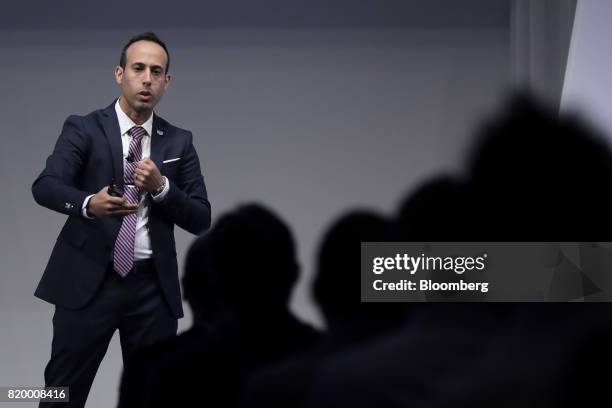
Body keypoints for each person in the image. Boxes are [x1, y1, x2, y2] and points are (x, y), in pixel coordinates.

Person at [32, 32, 211, 407]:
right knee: (59, 395)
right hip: (88, 281)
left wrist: (163, 188)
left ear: (166, 82)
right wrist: (87, 204)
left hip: (151, 290)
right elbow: (46, 186)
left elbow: (200, 218)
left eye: (156, 71)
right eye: (138, 68)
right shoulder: (84, 128)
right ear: (119, 74)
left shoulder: (179, 142)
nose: (147, 78)